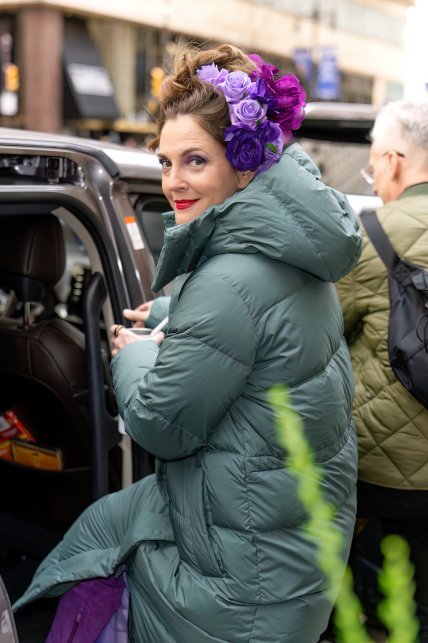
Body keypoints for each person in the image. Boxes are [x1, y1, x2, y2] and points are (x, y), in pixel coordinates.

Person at [14, 43, 362, 643]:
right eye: (166, 162)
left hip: (231, 591)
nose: (173, 182)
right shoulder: (292, 254)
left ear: (244, 162)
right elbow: (265, 323)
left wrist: (133, 353)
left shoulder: (228, 282)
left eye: (195, 161)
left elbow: (158, 424)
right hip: (285, 559)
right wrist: (175, 312)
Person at [335, 100, 428, 641]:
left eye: (373, 169)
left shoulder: (370, 236)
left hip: (377, 479)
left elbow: (320, 334)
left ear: (393, 161)